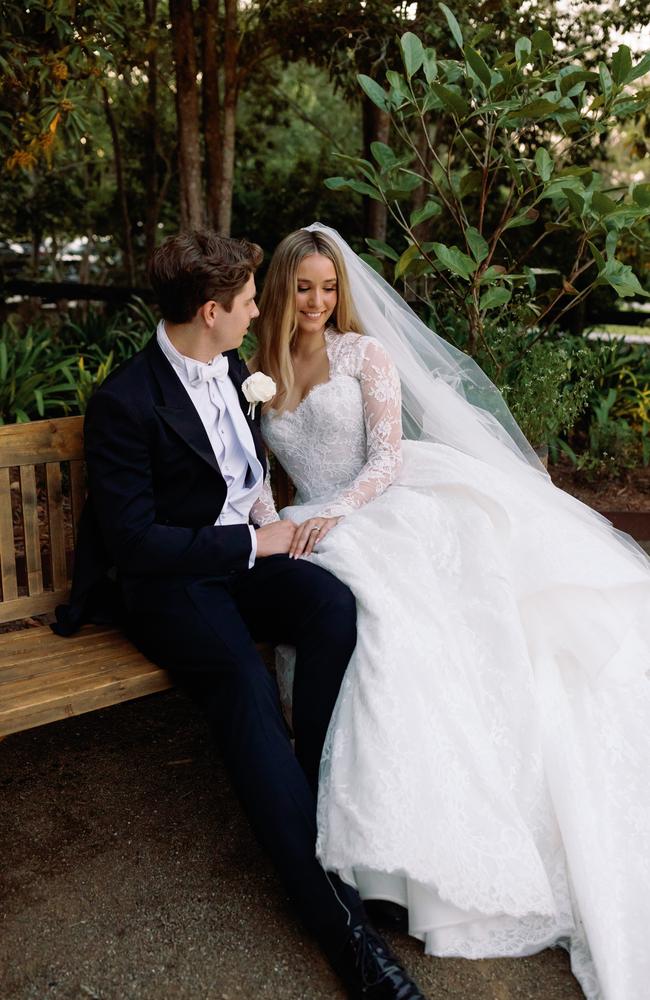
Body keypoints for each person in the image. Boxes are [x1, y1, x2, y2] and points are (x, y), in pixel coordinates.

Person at [253, 224, 650, 1000]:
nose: (318, 302)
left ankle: (400, 852)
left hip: (382, 505)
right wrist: (277, 522)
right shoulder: (259, 373)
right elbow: (256, 472)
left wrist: (328, 513)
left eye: (329, 288)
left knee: (395, 628)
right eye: (304, 287)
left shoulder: (362, 356)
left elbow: (389, 458)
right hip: (307, 526)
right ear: (278, 290)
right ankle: (360, 843)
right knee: (339, 616)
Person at [54, 230, 428, 1000]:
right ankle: (345, 934)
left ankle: (309, 796)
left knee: (331, 605)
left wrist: (268, 539)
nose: (264, 311)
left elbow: (249, 472)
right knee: (244, 687)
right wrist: (253, 542)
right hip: (173, 584)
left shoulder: (231, 369)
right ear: (211, 309)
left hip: (242, 559)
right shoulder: (126, 401)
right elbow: (135, 543)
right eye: (252, 301)